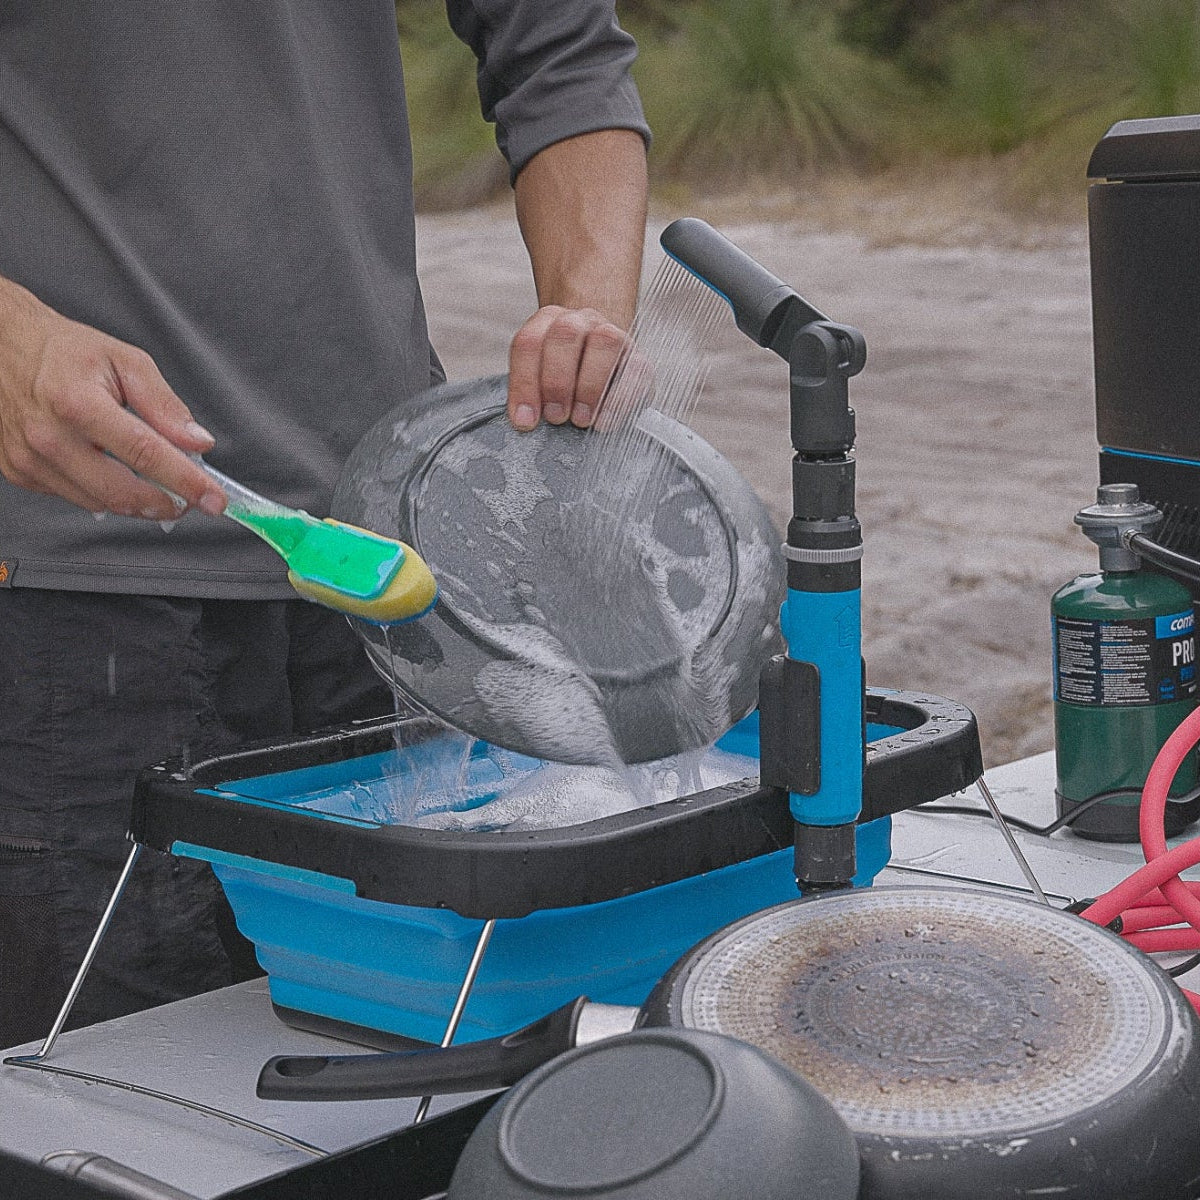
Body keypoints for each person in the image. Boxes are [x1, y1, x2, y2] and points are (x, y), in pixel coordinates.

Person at [0, 2, 649, 1048]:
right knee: (95, 1120)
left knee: (404, 1095)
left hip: (382, 570)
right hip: (58, 594)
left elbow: (561, 50)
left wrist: (587, 310)